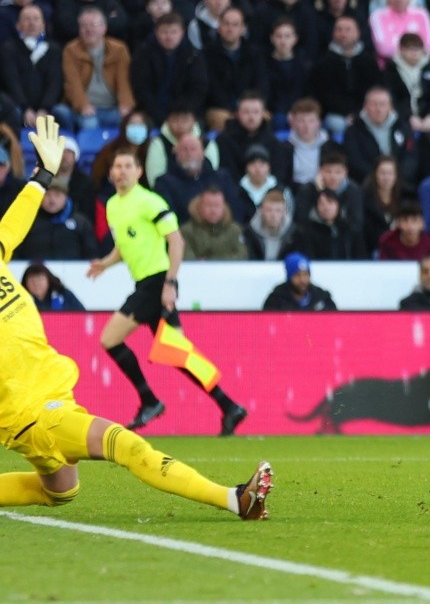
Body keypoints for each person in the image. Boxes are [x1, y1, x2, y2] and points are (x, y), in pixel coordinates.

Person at [0, 117, 273, 521]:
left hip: (56, 398)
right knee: (127, 446)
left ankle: (188, 399)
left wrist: (44, 173)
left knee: (61, 492)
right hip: (36, 415)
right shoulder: (117, 204)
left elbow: (16, 221)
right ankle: (234, 498)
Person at [87, 147, 248, 436]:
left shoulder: (150, 201)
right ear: (110, 173)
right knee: (178, 353)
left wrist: (170, 284)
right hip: (146, 284)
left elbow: (177, 242)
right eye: (117, 166)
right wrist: (105, 263)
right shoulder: (112, 205)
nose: (121, 171)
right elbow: (124, 247)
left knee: (109, 339)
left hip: (158, 283)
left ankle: (149, 400)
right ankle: (229, 406)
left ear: (139, 172)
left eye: (127, 166)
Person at [180, 186, 248, 260]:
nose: (213, 210)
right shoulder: (187, 231)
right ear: (200, 206)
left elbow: (242, 256)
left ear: (224, 207)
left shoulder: (235, 230)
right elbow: (187, 259)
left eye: (217, 205)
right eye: (209, 205)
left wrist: (210, 261)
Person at [262, 251, 337, 310]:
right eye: (297, 275)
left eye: (305, 274)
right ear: (289, 276)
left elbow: (336, 323)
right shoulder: (276, 299)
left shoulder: (322, 297)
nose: (302, 280)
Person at [21, 261, 85, 312]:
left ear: (48, 280)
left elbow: (83, 316)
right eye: (32, 280)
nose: (36, 284)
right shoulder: (21, 300)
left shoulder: (65, 295)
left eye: (39, 279)